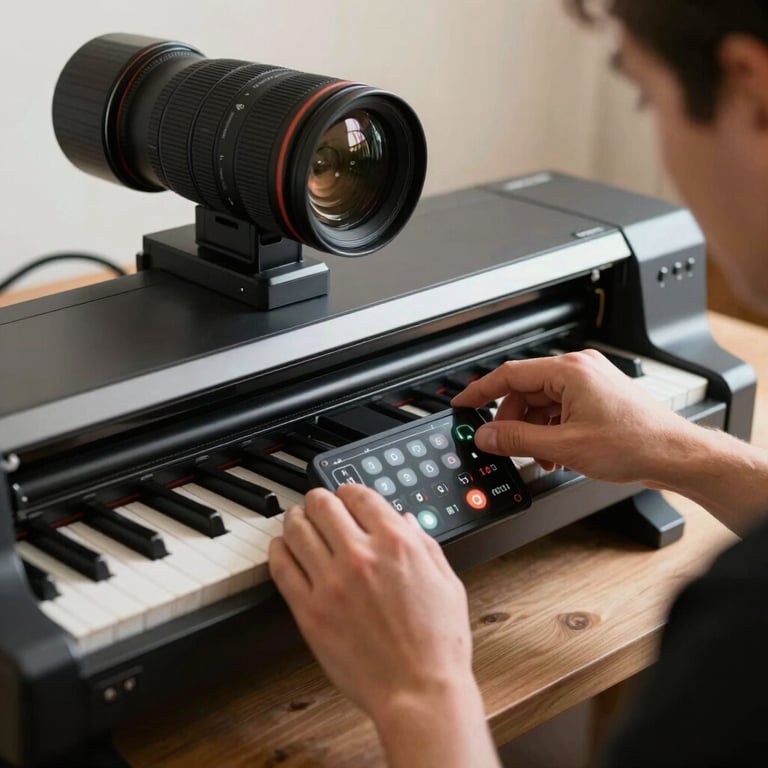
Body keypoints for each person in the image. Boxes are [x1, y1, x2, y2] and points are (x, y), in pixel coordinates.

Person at [268, 2, 768, 765]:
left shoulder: (740, 630)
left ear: (752, 89)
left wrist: (422, 689)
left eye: (646, 95)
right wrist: (680, 451)